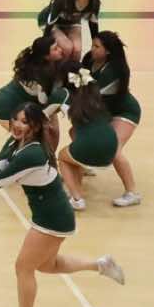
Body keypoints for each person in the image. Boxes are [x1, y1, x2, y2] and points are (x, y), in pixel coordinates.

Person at [0, 102, 125, 307]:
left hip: (53, 217)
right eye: (16, 119)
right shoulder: (16, 142)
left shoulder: (33, 153)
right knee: (47, 265)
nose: (17, 125)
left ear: (35, 126)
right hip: (49, 214)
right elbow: (3, 167)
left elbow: (2, 181)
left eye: (25, 122)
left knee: (23, 267)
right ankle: (101, 265)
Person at [89, 30, 143, 208]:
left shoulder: (112, 71)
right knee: (77, 131)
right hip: (105, 111)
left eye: (97, 46)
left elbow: (91, 95)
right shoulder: (89, 60)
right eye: (92, 45)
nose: (92, 49)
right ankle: (84, 164)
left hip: (124, 112)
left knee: (113, 149)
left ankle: (132, 193)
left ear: (108, 51)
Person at [54, 72, 121, 212]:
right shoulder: (99, 102)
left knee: (62, 157)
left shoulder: (66, 97)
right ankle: (78, 188)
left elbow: (43, 113)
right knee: (73, 149)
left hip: (89, 146)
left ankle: (77, 199)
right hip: (113, 148)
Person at [37, 0, 101, 59]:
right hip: (49, 22)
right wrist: (46, 44)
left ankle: (73, 68)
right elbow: (50, 21)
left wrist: (96, 44)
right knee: (67, 47)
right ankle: (61, 67)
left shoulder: (95, 2)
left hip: (71, 22)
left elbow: (93, 25)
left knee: (77, 49)